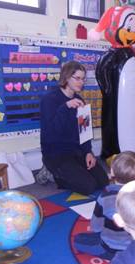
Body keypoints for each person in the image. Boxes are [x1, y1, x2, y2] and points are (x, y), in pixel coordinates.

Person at [40, 61, 109, 195]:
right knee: (88, 186)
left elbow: (84, 131)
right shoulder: (49, 100)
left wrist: (88, 152)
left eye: (83, 79)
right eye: (77, 78)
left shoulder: (80, 100)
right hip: (56, 153)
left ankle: (72, 170)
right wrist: (65, 107)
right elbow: (51, 133)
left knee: (103, 181)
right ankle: (52, 173)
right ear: (66, 77)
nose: (81, 82)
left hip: (76, 151)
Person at [73, 151, 135, 259]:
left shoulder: (105, 196)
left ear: (111, 172)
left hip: (109, 246)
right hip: (134, 246)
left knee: (78, 240)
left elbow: (96, 226)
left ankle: (113, 254)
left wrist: (97, 231)